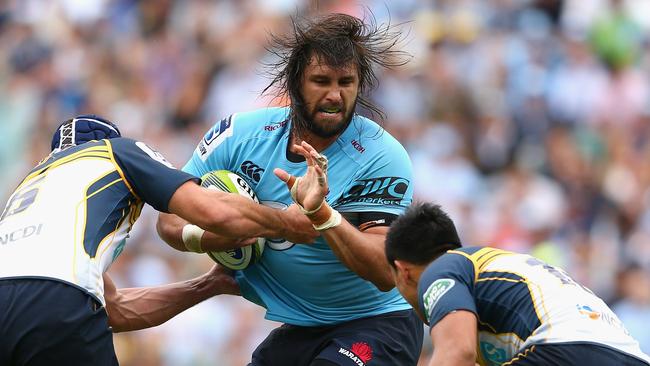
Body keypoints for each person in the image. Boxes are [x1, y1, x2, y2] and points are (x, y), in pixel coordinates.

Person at [157, 13, 423, 366]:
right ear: (295, 82)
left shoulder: (381, 155)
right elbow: (169, 220)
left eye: (346, 82)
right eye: (321, 81)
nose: (334, 95)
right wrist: (209, 237)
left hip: (376, 323)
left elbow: (383, 271)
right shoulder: (238, 135)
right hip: (302, 326)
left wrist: (321, 214)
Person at [0, 115, 319, 365]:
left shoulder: (26, 188)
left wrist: (207, 285)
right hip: (57, 301)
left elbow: (115, 311)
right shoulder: (116, 151)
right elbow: (209, 211)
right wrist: (283, 223)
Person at [384, 202, 650, 366]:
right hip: (629, 354)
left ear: (402, 271)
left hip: (564, 347)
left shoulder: (441, 268)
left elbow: (457, 354)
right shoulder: (497, 267)